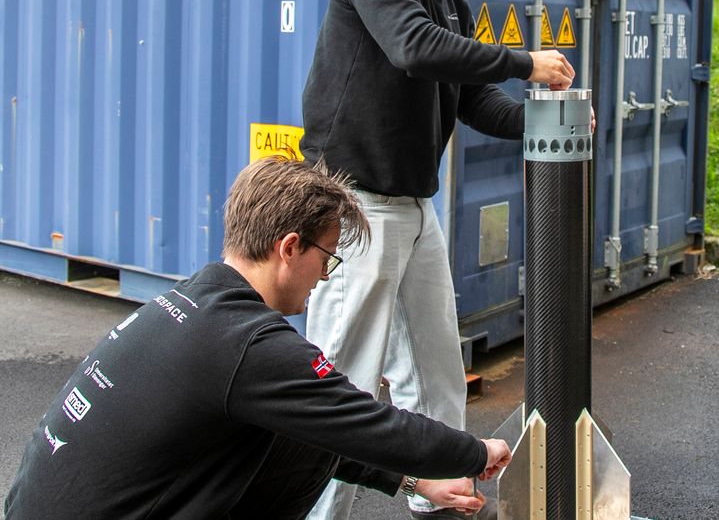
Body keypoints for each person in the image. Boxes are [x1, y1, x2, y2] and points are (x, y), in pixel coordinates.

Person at [3, 156, 512, 519]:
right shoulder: (247, 345)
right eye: (327, 256)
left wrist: (414, 480)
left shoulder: (200, 298)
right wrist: (476, 452)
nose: (326, 275)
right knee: (321, 420)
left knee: (304, 426)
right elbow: (370, 423)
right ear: (290, 247)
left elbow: (325, 427)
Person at [299, 0, 576, 519]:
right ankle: (317, 512)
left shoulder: (454, 3)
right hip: (353, 205)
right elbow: (414, 49)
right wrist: (524, 60)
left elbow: (472, 97)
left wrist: (545, 118)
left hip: (414, 206)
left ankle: (442, 497)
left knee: (438, 373)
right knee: (345, 379)